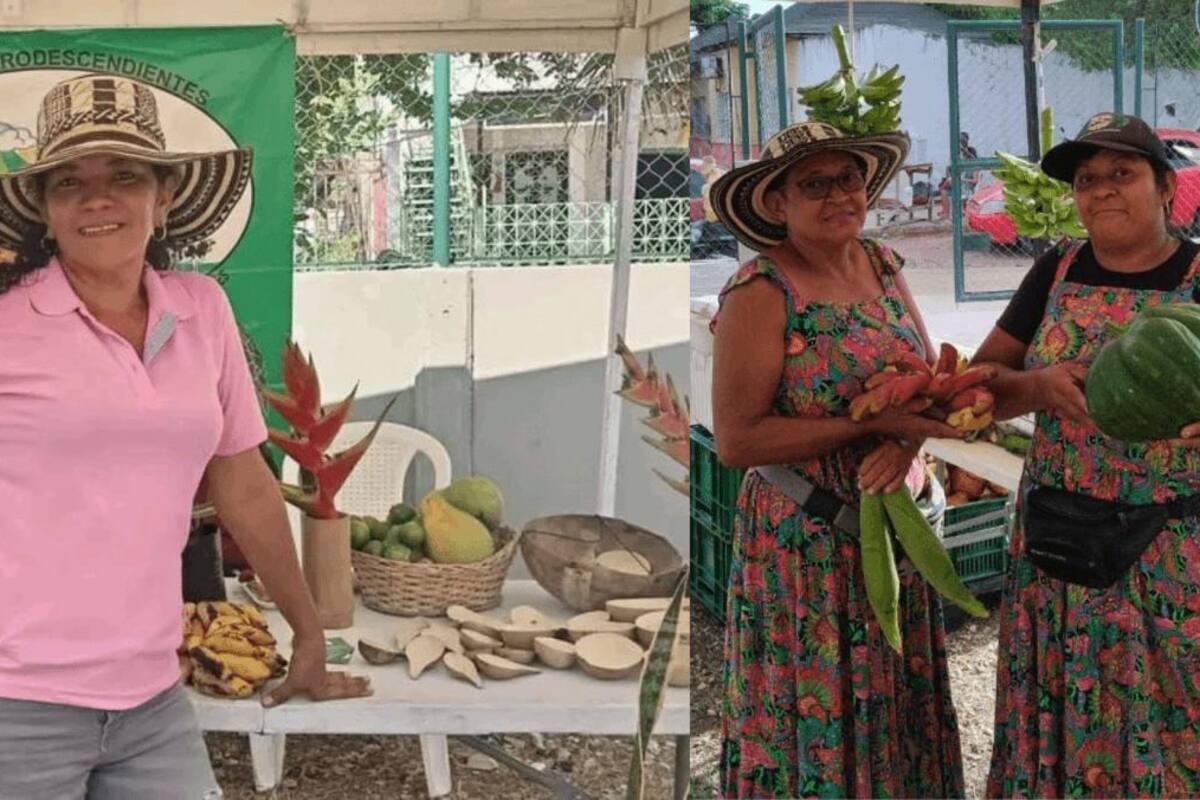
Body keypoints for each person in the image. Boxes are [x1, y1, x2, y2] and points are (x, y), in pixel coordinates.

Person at [0, 73, 371, 799]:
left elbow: (245, 483)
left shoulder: (203, 310)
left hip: (152, 699)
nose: (97, 199)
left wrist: (307, 629)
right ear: (44, 208)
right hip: (15, 700)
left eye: (125, 176)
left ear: (164, 197)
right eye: (70, 182)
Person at [707, 120, 967, 799]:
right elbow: (737, 441)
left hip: (894, 535)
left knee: (894, 709)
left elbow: (925, 377)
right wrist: (871, 425)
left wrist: (904, 441)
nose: (838, 196)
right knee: (815, 713)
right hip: (805, 547)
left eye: (848, 179)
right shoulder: (760, 291)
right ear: (777, 204)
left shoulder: (881, 263)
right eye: (814, 185)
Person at [972, 112, 1200, 798]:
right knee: (1062, 700)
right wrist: (1036, 387)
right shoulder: (1056, 269)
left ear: (1166, 187)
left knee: (1168, 716)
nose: (1101, 189)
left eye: (1122, 173)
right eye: (1086, 179)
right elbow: (979, 386)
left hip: (1169, 549)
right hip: (1060, 541)